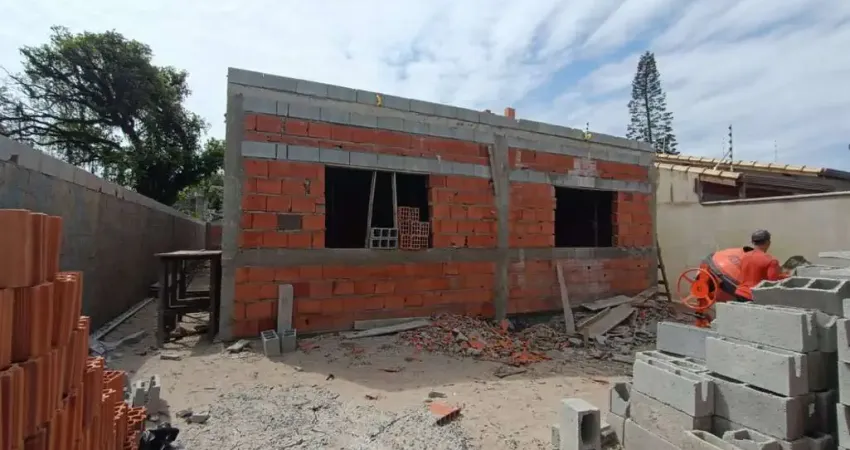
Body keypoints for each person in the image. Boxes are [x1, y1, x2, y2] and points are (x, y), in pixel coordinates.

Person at [734, 229, 789, 301]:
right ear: (768, 242)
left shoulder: (744, 257)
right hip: (754, 296)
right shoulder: (771, 261)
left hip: (739, 293)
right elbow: (773, 283)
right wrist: (787, 277)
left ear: (753, 242)